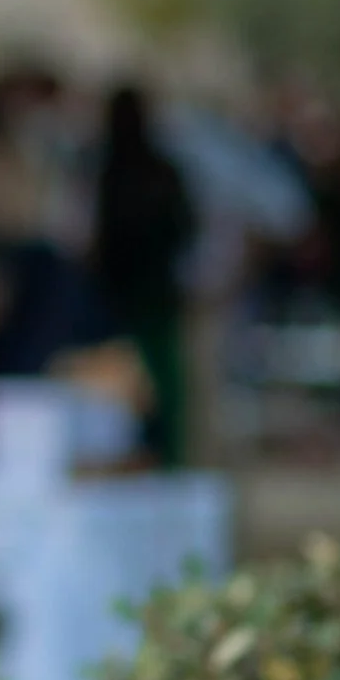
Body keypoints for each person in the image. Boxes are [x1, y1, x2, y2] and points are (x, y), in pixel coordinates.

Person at [92, 85, 198, 468]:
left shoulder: (108, 172)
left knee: (131, 388)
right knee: (152, 390)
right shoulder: (160, 170)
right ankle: (160, 461)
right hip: (152, 294)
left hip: (124, 297)